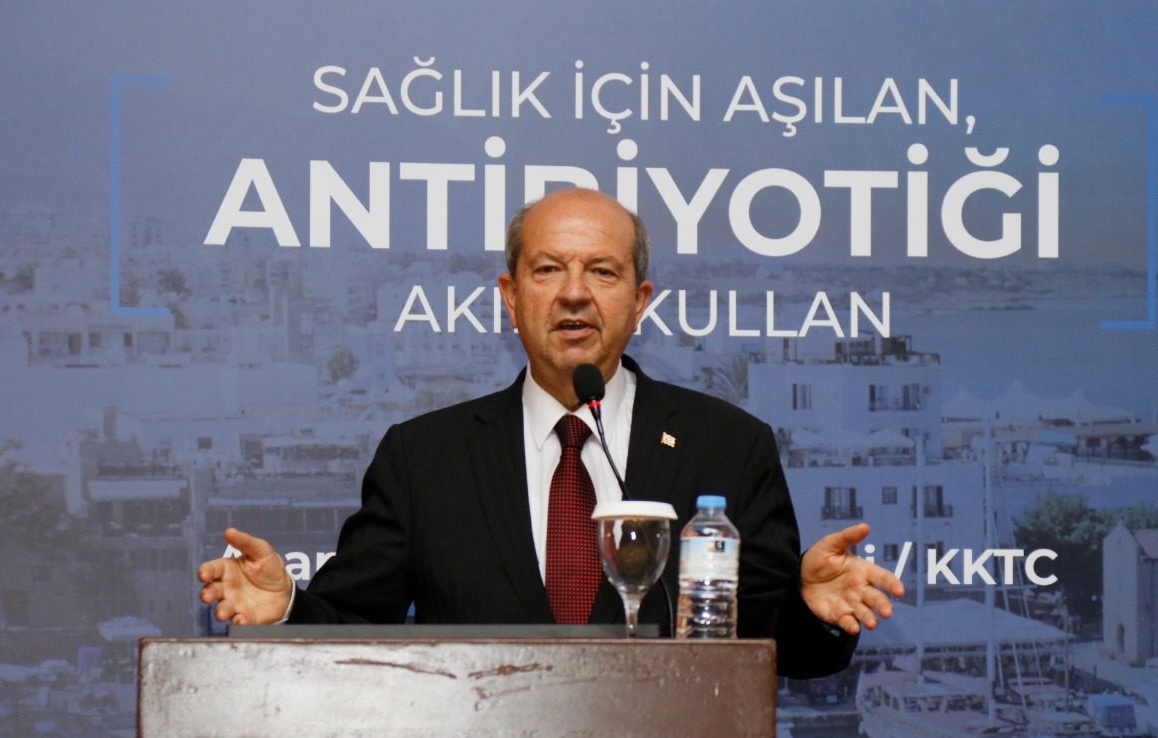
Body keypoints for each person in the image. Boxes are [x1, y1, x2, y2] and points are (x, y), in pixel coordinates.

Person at [198, 187, 904, 668]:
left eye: (602, 271)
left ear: (640, 302)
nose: (573, 293)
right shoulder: (424, 457)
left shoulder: (727, 445)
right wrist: (285, 609)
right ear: (510, 297)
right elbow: (354, 627)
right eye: (547, 270)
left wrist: (812, 610)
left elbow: (771, 644)